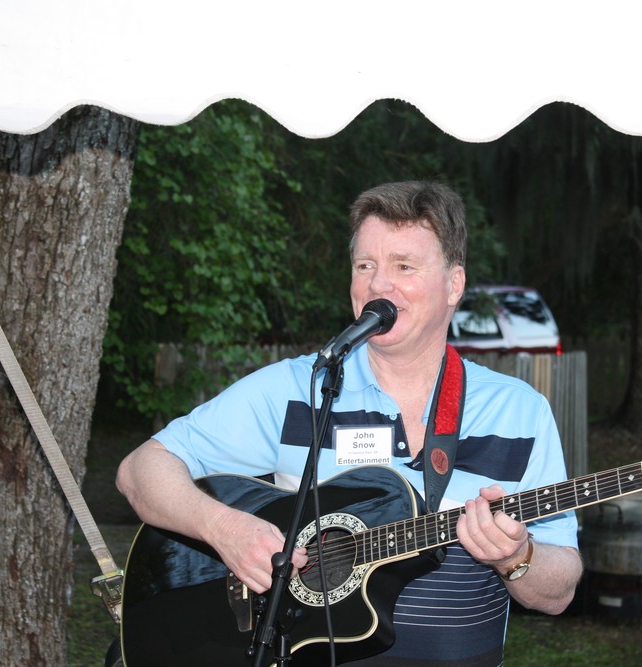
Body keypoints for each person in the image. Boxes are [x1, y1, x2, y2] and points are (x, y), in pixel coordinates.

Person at [116, 181, 583, 666]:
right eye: (365, 266)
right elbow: (140, 470)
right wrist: (224, 528)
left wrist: (516, 557)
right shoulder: (297, 389)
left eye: (404, 266)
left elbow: (559, 590)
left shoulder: (520, 411)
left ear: (454, 284)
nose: (379, 285)